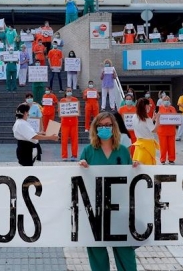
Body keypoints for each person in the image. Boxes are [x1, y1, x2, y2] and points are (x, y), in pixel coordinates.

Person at [79, 112, 139, 271]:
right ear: (95, 128)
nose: (104, 128)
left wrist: (137, 168)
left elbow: (131, 178)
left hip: (119, 209)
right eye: (100, 125)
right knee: (97, 252)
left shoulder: (123, 151)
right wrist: (81, 166)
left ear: (114, 128)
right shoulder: (88, 151)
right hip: (95, 210)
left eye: (108, 125)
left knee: (125, 252)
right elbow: (78, 179)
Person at [133, 98, 158, 164]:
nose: (149, 106)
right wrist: (158, 120)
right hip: (147, 146)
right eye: (148, 105)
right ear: (145, 106)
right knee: (148, 166)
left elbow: (145, 126)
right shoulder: (146, 119)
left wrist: (153, 119)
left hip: (139, 144)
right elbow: (154, 130)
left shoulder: (134, 116)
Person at [58, 87, 80, 161]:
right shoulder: (62, 100)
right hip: (65, 123)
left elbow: (78, 110)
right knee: (64, 140)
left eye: (70, 91)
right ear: (65, 92)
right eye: (68, 91)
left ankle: (74, 155)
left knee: (74, 140)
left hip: (74, 122)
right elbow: (60, 111)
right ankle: (64, 155)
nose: (69, 92)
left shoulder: (75, 100)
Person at [155, 95, 177, 164]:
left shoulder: (172, 108)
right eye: (165, 100)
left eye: (168, 100)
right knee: (163, 146)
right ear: (162, 101)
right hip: (162, 131)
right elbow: (156, 118)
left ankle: (171, 159)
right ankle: (163, 159)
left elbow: (176, 118)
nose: (166, 101)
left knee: (171, 146)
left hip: (171, 131)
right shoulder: (159, 108)